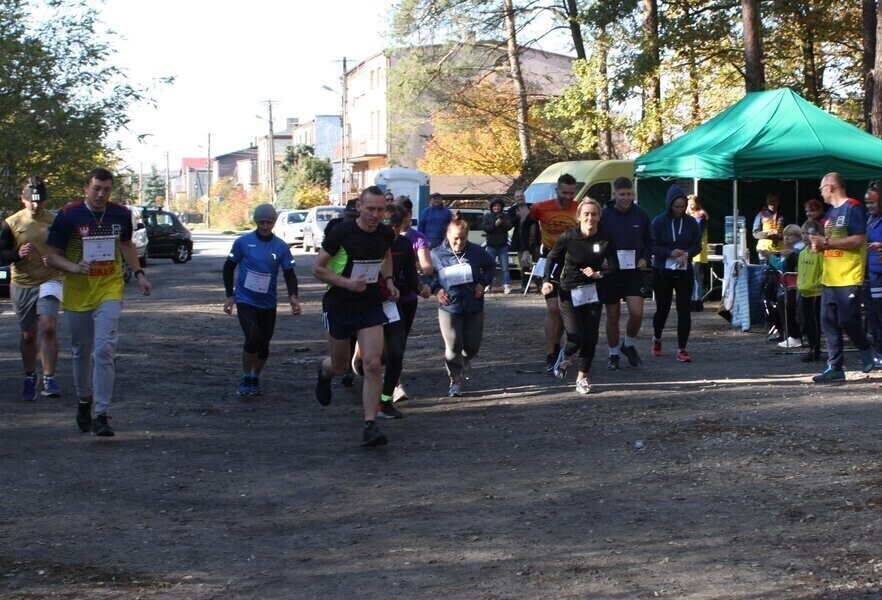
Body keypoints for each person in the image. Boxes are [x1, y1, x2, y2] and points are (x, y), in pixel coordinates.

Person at [45, 167, 152, 437]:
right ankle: (84, 401)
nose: (101, 194)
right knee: (82, 351)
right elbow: (52, 256)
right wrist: (72, 267)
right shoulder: (69, 215)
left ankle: (102, 413)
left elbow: (127, 244)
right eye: (96, 188)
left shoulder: (121, 214)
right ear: (86, 187)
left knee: (104, 350)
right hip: (78, 291)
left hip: (109, 287)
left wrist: (139, 274)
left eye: (106, 189)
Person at [314, 186, 399, 447]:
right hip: (339, 304)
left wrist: (389, 279)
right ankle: (324, 371)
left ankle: (370, 425)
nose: (375, 214)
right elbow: (318, 269)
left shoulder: (385, 233)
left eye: (380, 209)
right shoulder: (341, 232)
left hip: (369, 304)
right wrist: (346, 283)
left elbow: (385, 256)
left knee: (373, 364)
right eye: (370, 209)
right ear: (359, 207)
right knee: (340, 367)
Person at [222, 204, 301, 397]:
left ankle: (254, 377)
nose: (265, 226)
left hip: (268, 302)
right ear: (256, 222)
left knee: (264, 345)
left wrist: (293, 297)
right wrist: (229, 296)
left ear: (274, 223)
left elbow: (289, 274)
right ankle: (245, 377)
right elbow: (228, 267)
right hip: (245, 299)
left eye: (269, 222)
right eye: (261, 222)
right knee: (253, 338)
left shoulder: (281, 246)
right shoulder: (243, 242)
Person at [543, 199, 618, 394]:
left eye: (594, 214)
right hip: (569, 292)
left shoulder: (605, 240)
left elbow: (612, 267)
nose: (590, 218)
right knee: (576, 337)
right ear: (579, 217)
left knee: (591, 338)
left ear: (599, 217)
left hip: (592, 292)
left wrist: (598, 274)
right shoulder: (569, 237)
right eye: (586, 214)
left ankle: (582, 378)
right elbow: (552, 257)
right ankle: (564, 356)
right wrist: (546, 280)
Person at [0, 177, 63, 400]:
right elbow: (1, 254)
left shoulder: (56, 221)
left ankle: (49, 378)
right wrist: (17, 255)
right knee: (28, 335)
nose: (36, 206)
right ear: (23, 199)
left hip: (50, 279)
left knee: (48, 326)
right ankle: (29, 376)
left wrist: (56, 258)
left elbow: (65, 248)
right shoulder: (11, 223)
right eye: (32, 202)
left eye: (41, 201)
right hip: (23, 282)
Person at [808, 172, 873, 382]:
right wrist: (819, 246)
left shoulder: (853, 207)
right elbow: (831, 243)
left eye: (821, 188)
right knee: (828, 323)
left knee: (847, 320)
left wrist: (826, 242)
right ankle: (835, 368)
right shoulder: (829, 214)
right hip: (829, 277)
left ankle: (864, 347)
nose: (821, 193)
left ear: (830, 186)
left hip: (848, 276)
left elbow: (857, 240)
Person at [519, 173, 580, 372]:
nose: (568, 197)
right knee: (553, 308)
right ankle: (550, 352)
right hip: (549, 259)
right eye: (564, 193)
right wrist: (527, 249)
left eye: (572, 193)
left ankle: (560, 347)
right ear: (557, 190)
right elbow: (526, 225)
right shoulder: (540, 207)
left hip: (571, 261)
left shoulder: (579, 208)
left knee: (564, 309)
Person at [429, 218, 495, 397]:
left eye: (463, 239)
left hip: (473, 305)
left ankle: (465, 360)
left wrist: (482, 283)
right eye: (456, 238)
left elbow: (490, 267)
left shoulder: (476, 252)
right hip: (449, 307)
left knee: (471, 348)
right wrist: (437, 290)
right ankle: (455, 380)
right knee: (453, 346)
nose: (459, 243)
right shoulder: (436, 254)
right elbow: (426, 275)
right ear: (447, 235)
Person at [377, 204, 431, 417]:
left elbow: (410, 275)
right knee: (370, 360)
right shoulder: (370, 243)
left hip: (393, 302)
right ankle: (358, 352)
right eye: (388, 226)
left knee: (396, 353)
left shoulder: (405, 244)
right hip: (366, 302)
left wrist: (420, 287)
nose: (392, 231)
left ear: (402, 226)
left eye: (396, 226)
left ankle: (385, 401)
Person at [598, 177, 652, 371]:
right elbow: (596, 241)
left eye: (629, 194)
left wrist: (645, 257)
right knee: (613, 316)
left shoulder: (642, 215)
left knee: (637, 313)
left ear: (633, 194)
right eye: (622, 194)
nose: (626, 198)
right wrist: (600, 260)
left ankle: (628, 345)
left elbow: (650, 240)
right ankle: (613, 354)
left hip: (634, 271)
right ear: (614, 195)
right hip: (611, 272)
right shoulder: (603, 215)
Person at [650, 185, 702, 362]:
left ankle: (682, 348)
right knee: (662, 309)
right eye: (676, 206)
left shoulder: (691, 222)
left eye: (682, 206)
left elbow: (697, 245)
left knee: (684, 310)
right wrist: (669, 253)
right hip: (662, 270)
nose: (679, 210)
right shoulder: (659, 221)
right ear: (669, 205)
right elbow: (652, 246)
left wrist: (688, 254)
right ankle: (657, 337)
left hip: (684, 270)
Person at [393, 197, 433, 402]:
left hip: (407, 296)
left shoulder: (416, 238)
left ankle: (393, 383)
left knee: (398, 341)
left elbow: (427, 267)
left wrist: (411, 270)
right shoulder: (381, 237)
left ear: (409, 215)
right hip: (385, 296)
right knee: (385, 340)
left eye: (403, 215)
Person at [761, 224, 803, 349]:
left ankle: (789, 334)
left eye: (789, 236)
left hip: (796, 287)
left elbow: (782, 267)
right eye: (785, 236)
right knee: (771, 292)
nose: (786, 238)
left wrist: (770, 257)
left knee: (778, 299)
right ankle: (784, 331)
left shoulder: (796, 251)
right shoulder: (790, 250)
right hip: (791, 287)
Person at [797, 220, 824, 362]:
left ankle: (816, 350)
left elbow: (824, 271)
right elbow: (801, 272)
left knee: (815, 324)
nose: (805, 236)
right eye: (803, 233)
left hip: (816, 293)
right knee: (805, 322)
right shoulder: (802, 253)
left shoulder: (819, 253)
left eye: (809, 233)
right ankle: (811, 348)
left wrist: (816, 284)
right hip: (804, 292)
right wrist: (800, 284)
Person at [864, 183, 882, 367]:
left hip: (879, 275)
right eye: (867, 202)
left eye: (873, 202)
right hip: (867, 274)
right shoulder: (867, 219)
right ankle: (877, 350)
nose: (869, 206)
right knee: (872, 315)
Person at [481, 197, 513, 294]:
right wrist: (495, 225)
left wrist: (501, 223)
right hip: (491, 245)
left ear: (501, 207)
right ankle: (487, 285)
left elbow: (510, 226)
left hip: (503, 245)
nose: (496, 207)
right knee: (488, 266)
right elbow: (485, 228)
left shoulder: (505, 216)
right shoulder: (487, 216)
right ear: (492, 207)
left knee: (505, 267)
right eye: (494, 206)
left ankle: (506, 285)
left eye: (498, 206)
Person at [505, 188, 533, 290]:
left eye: (521, 196)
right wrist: (517, 217)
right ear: (515, 199)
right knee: (525, 264)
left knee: (539, 262)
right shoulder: (512, 210)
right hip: (521, 240)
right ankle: (525, 286)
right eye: (518, 197)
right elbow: (510, 225)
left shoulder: (532, 207)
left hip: (535, 239)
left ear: (524, 197)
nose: (520, 198)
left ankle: (540, 284)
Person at [686, 195, 709, 311]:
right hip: (690, 249)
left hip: (698, 249)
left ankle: (696, 300)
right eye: (689, 203)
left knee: (693, 274)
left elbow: (697, 231)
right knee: (695, 276)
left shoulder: (701, 215)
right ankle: (696, 300)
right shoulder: (688, 215)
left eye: (692, 203)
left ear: (697, 203)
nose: (690, 205)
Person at [753, 193, 785, 257]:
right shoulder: (761, 214)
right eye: (770, 201)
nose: (772, 203)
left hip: (781, 250)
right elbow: (755, 233)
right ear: (767, 202)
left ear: (778, 202)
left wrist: (781, 236)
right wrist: (767, 234)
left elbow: (790, 232)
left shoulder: (784, 215)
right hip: (764, 249)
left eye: (775, 201)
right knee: (764, 267)